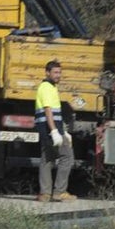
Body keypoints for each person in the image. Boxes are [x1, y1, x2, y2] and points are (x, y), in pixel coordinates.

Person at [35, 59, 75, 202]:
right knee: (67, 157)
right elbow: (48, 111)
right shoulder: (46, 87)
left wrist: (63, 131)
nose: (58, 75)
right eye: (55, 72)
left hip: (50, 128)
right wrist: (54, 131)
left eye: (60, 72)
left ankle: (45, 194)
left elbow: (55, 113)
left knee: (48, 158)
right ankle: (60, 192)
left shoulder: (51, 87)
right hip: (49, 128)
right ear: (47, 73)